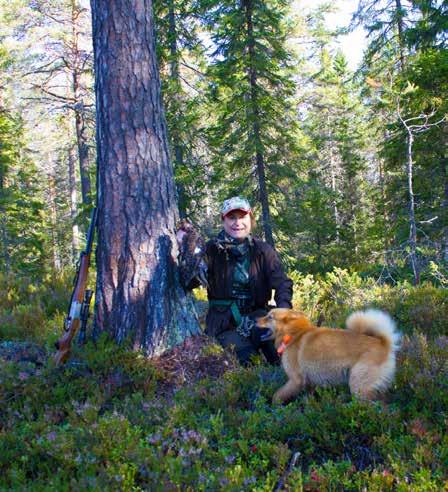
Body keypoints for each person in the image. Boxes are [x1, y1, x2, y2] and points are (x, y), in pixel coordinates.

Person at [178, 196, 293, 366]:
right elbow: (189, 282)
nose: (237, 222)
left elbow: (282, 283)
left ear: (250, 218)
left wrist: (283, 314)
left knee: (286, 355)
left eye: (242, 217)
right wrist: (186, 251)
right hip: (224, 323)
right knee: (249, 363)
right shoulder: (211, 250)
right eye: (232, 217)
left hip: (258, 317)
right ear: (223, 220)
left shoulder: (263, 251)